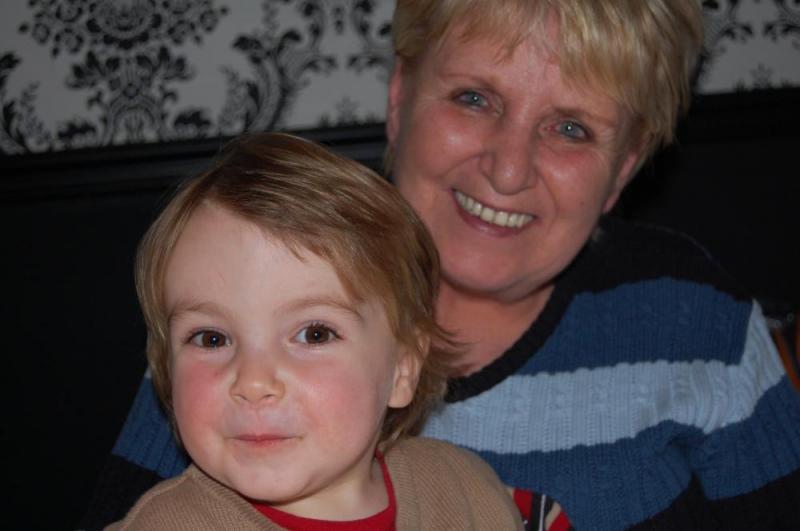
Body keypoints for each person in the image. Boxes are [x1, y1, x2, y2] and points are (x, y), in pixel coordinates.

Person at [84, 1, 800, 530]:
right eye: (474, 98)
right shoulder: (244, 293)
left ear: (624, 166)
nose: (508, 169)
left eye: (571, 128)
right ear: (401, 97)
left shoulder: (699, 321)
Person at [105, 132, 524, 530]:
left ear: (403, 367)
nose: (253, 382)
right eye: (212, 339)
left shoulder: (461, 489)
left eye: (314, 334)